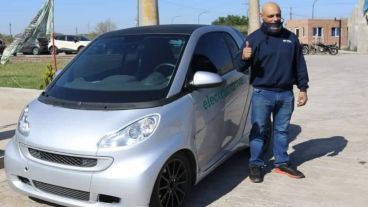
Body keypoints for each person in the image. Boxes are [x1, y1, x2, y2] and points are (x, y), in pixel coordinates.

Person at [238, 2, 309, 183]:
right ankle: (256, 164)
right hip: (263, 94)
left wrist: (303, 88)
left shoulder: (291, 39)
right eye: (271, 16)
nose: (275, 19)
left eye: (278, 15)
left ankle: (282, 162)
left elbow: (299, 65)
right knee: (258, 131)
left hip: (286, 94)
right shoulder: (253, 39)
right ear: (263, 17)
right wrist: (244, 57)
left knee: (282, 130)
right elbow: (239, 67)